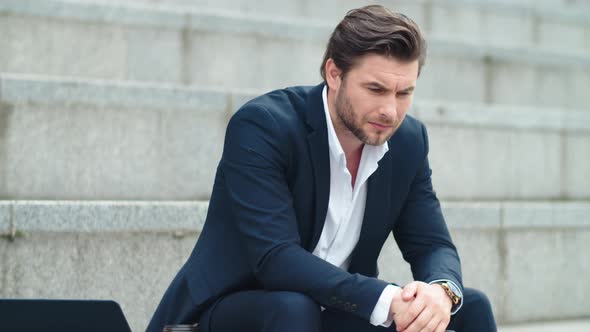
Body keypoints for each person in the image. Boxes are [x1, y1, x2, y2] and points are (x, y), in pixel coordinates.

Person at [147, 5, 496, 332]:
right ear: (334, 73)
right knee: (293, 307)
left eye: (404, 92)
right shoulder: (264, 126)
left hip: (336, 307)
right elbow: (276, 259)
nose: (390, 110)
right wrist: (388, 300)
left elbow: (432, 244)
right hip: (232, 309)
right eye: (375, 89)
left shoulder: (409, 141)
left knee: (469, 307)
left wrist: (439, 293)